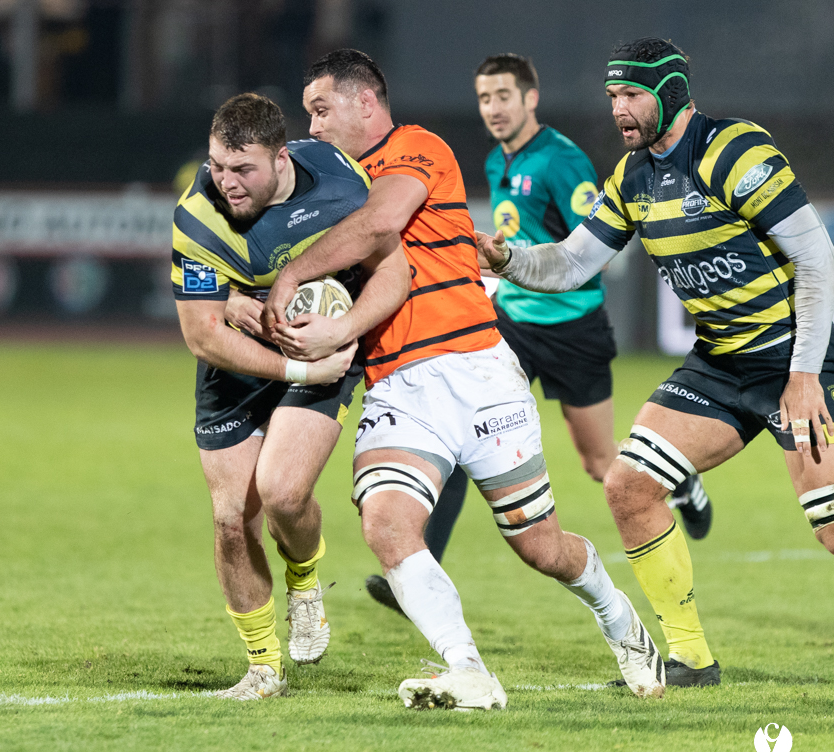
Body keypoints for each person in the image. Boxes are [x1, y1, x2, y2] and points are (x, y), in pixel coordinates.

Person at [261, 49, 667, 708]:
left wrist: (294, 275)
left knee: (540, 546)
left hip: (476, 368)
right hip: (396, 383)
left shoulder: (417, 147)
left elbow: (380, 224)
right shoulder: (322, 184)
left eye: (320, 108)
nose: (310, 125)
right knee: (387, 526)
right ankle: (468, 670)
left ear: (366, 103)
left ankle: (620, 620)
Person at [476, 37, 834, 688]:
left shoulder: (734, 151)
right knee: (630, 486)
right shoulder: (633, 177)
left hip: (803, 356)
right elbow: (572, 262)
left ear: (671, 92)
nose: (619, 108)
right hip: (724, 363)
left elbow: (817, 259)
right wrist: (506, 260)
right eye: (612, 95)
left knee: (832, 526)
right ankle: (690, 659)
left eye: (632, 94)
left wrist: (806, 377)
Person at [362, 52, 712, 617]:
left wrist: (527, 259)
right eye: (484, 98)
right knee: (458, 425)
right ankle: (425, 563)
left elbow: (588, 241)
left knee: (602, 463)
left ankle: (682, 479)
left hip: (573, 327)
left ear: (530, 98)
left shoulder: (559, 159)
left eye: (504, 96)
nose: (493, 108)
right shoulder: (501, 161)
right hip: (516, 324)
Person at [174, 92, 410, 699]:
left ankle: (303, 580)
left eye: (241, 169)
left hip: (326, 354)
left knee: (281, 494)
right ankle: (262, 667)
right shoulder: (199, 214)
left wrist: (343, 332)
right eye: (217, 166)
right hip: (240, 366)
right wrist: (282, 358)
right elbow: (202, 335)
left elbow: (393, 271)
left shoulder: (339, 180)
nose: (225, 182)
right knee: (231, 521)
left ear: (281, 158)